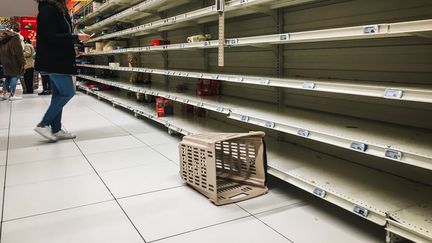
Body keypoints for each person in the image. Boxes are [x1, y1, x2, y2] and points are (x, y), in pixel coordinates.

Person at [34, 0, 90, 141]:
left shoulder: (59, 10)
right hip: (55, 60)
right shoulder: (48, 9)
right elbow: (48, 37)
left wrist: (75, 40)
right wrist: (75, 37)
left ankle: (56, 129)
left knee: (57, 95)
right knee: (67, 93)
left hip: (60, 58)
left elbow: (59, 35)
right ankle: (43, 124)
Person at [0, 26, 25, 101]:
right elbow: (19, 51)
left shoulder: (2, 38)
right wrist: (22, 61)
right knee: (15, 75)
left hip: (5, 60)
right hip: (14, 60)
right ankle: (12, 94)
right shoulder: (15, 37)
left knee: (8, 77)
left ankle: (3, 94)